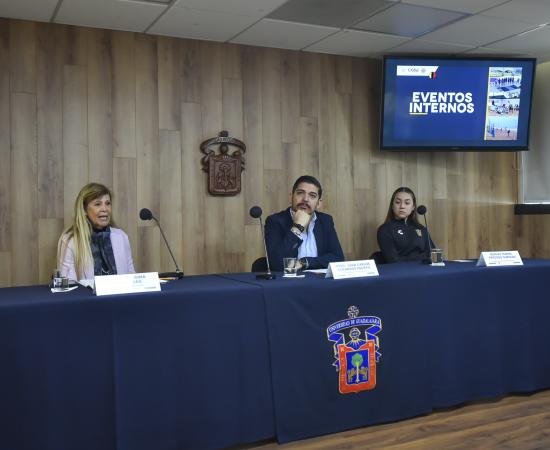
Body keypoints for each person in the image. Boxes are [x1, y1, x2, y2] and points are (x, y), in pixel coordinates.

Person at [265, 175, 344, 271]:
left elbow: (338, 259)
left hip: (318, 279)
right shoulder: (275, 221)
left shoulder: (325, 221)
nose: (305, 199)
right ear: (291, 197)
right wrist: (297, 228)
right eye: (300, 193)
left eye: (312, 195)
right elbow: (276, 265)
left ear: (318, 203)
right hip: (289, 279)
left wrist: (305, 262)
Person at [57, 182, 135, 281]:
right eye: (98, 204)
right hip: (85, 292)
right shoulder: (71, 241)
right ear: (84, 210)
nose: (105, 209)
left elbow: (132, 277)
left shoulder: (121, 237)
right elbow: (68, 283)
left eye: (108, 203)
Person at [376, 187, 433, 263]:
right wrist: (424, 257)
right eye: (398, 202)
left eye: (407, 203)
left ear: (413, 207)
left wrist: (426, 257)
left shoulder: (421, 229)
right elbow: (393, 260)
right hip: (400, 270)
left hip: (425, 269)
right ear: (392, 206)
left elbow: (433, 255)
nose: (402, 206)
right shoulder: (385, 230)